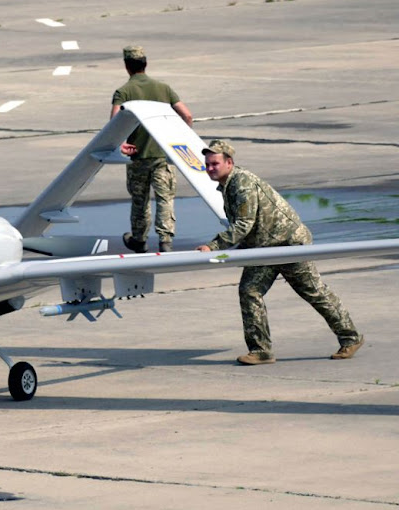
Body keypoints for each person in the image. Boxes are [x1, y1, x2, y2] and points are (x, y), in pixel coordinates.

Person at [196, 139, 364, 365]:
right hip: (265, 248)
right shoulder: (229, 184)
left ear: (229, 162)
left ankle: (351, 338)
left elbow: (244, 223)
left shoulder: (242, 183)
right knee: (249, 291)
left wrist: (214, 246)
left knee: (314, 292)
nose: (210, 168)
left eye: (214, 164)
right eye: (207, 164)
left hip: (288, 244)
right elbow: (251, 225)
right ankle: (261, 351)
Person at [111, 45, 193, 253]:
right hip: (163, 156)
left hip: (137, 156)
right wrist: (180, 138)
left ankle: (139, 239)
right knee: (165, 198)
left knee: (140, 200)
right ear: (145, 64)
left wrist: (120, 144)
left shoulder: (123, 92)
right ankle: (165, 241)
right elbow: (187, 115)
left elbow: (114, 124)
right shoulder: (163, 88)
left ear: (127, 66)